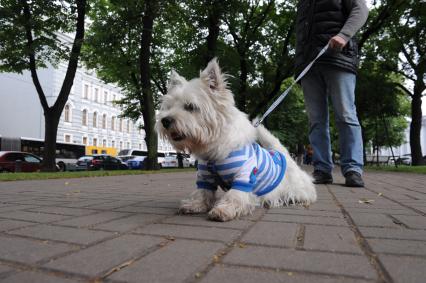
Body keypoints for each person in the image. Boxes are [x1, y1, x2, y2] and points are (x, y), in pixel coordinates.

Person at [295, 0, 368, 187]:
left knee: (345, 114)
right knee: (315, 120)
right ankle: (322, 169)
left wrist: (344, 35)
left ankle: (352, 169)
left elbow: (361, 10)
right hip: (309, 64)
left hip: (339, 58)